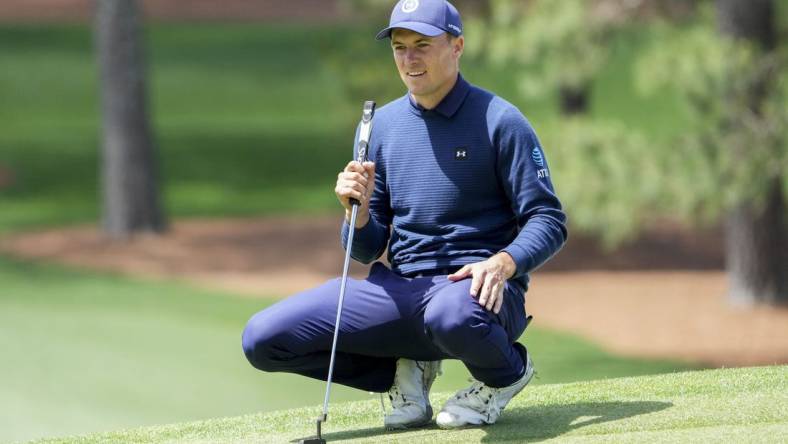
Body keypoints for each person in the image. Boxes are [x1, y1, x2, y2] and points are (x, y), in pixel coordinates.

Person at [242, 0, 567, 430]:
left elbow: (548, 218)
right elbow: (367, 248)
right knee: (263, 339)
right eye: (399, 47)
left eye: (422, 45)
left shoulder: (500, 121)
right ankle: (400, 373)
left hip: (476, 293)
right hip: (401, 292)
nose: (409, 59)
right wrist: (355, 215)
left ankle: (504, 375)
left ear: (457, 46)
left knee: (450, 316)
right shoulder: (382, 125)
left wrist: (504, 263)